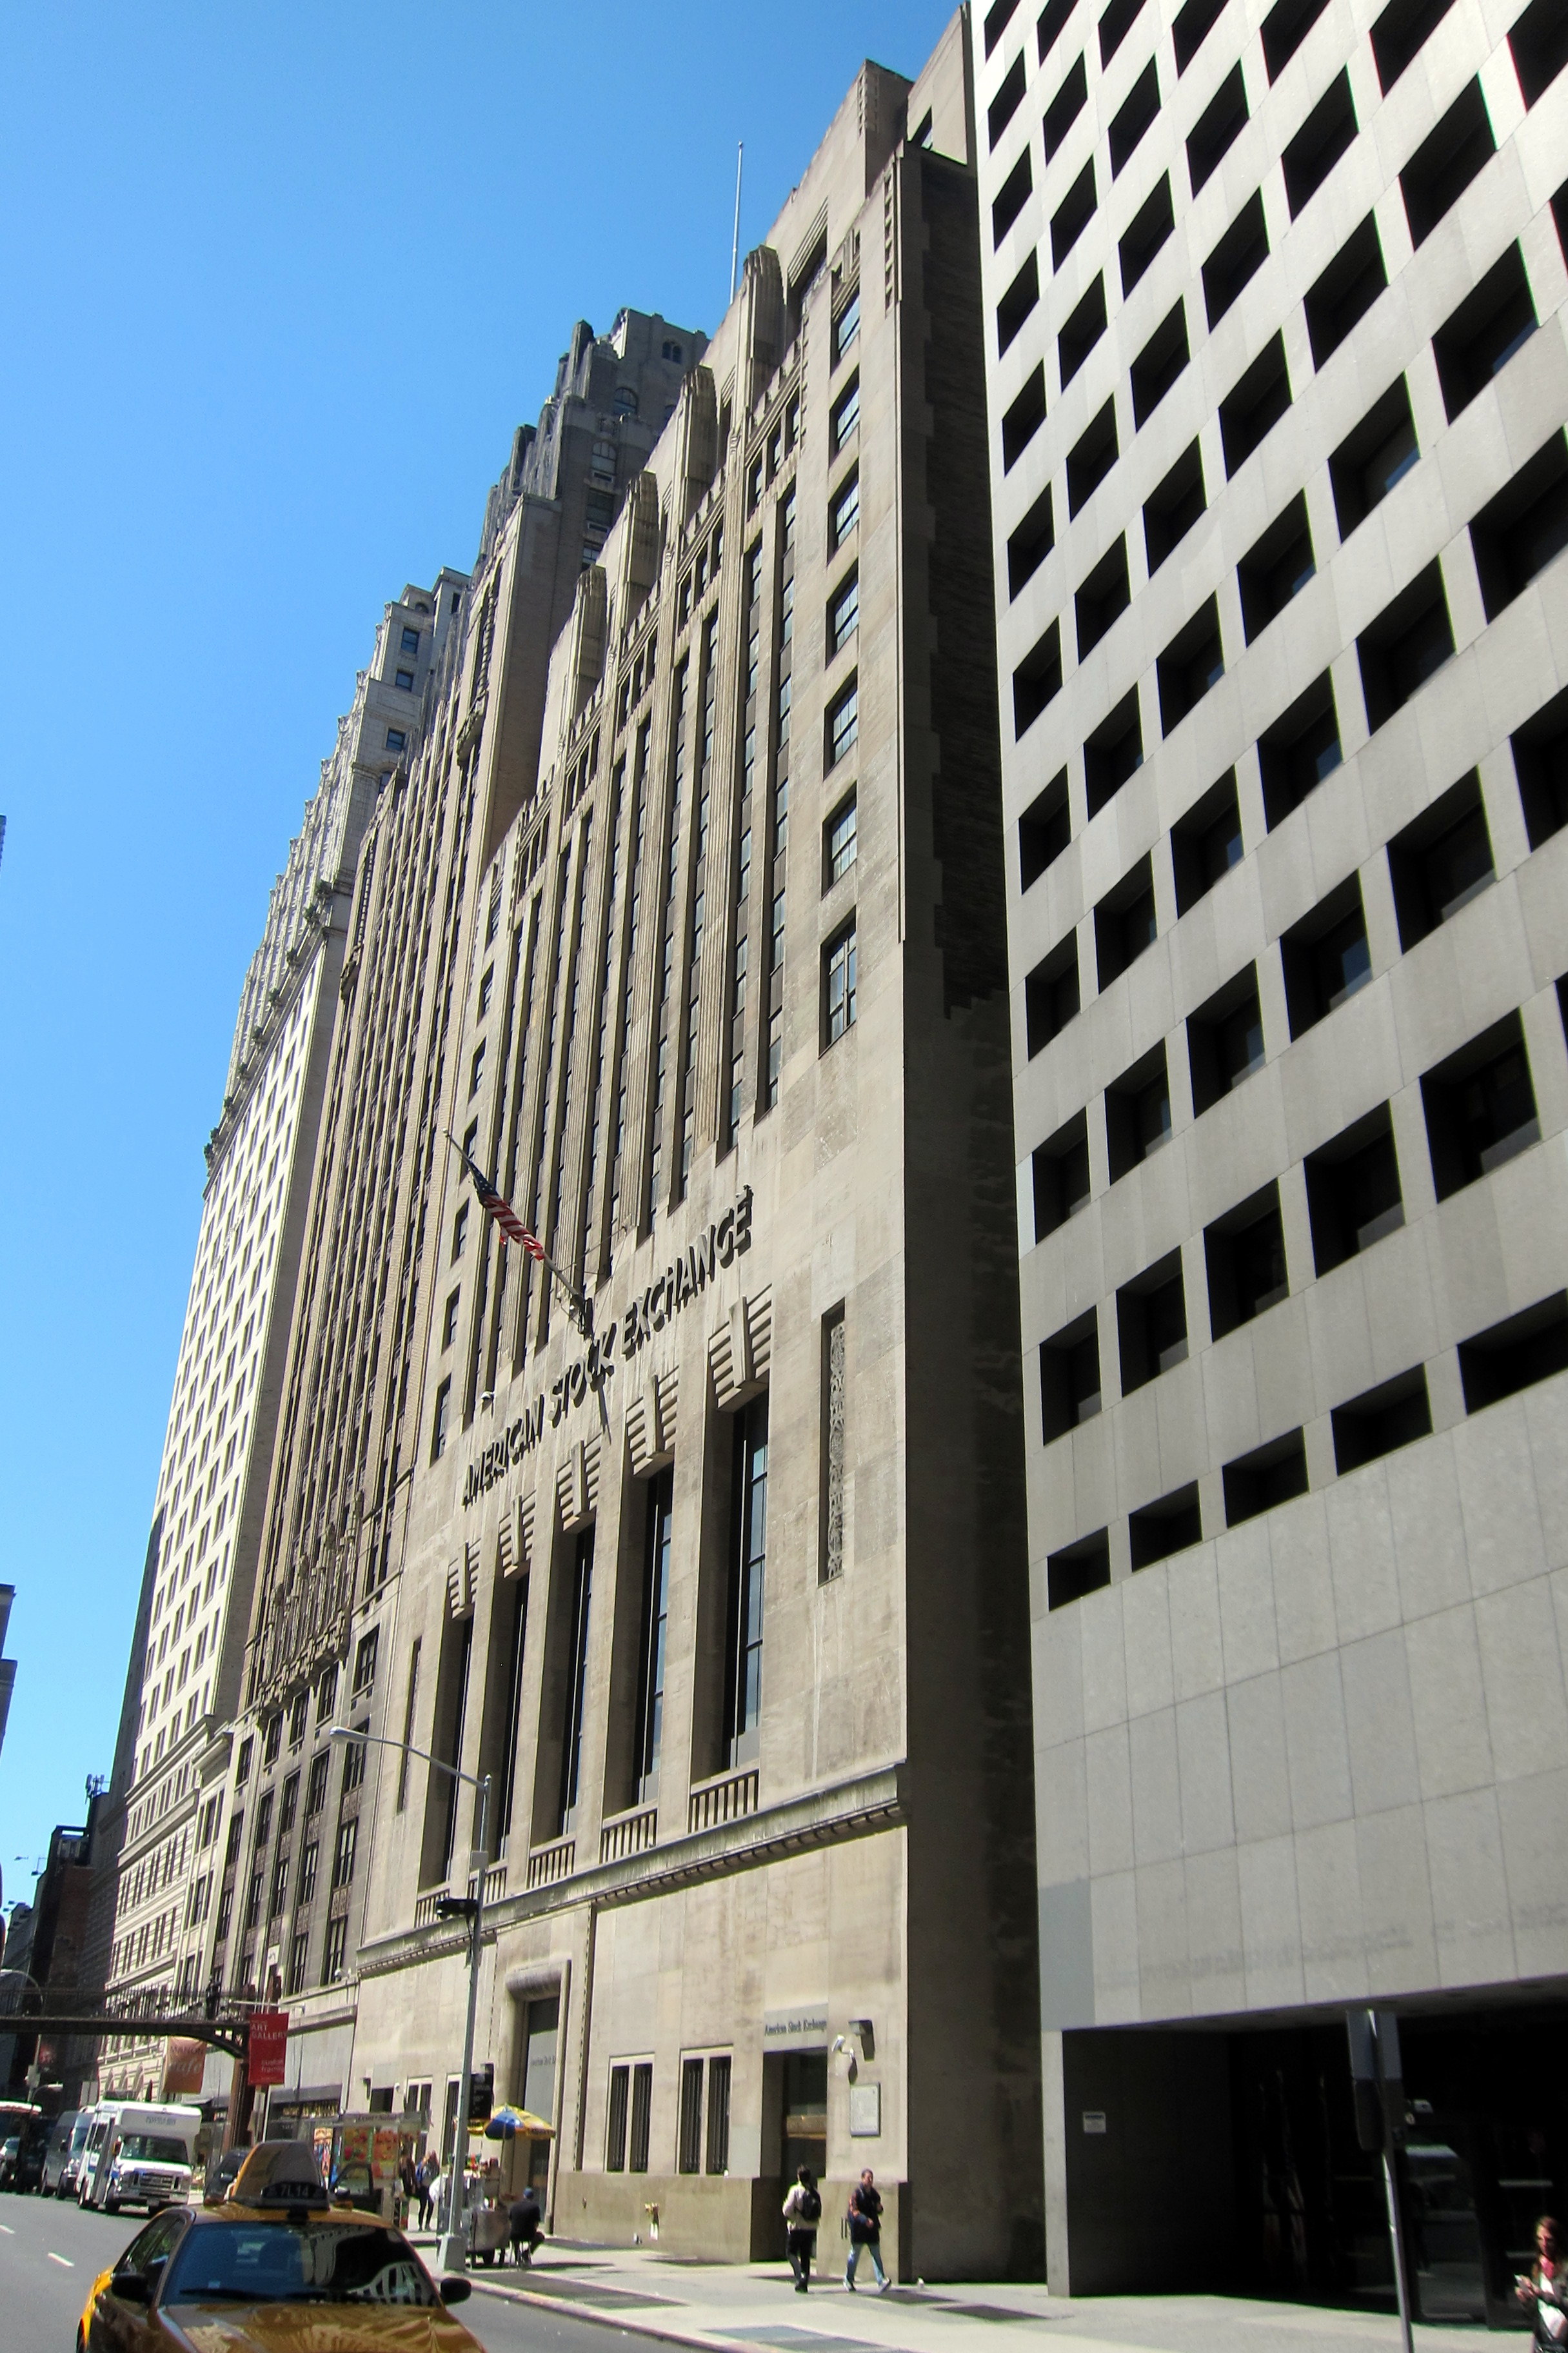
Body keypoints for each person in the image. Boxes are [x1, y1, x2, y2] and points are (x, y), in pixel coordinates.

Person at [1518, 2216, 1568, 2344]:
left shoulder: (1565, 2269)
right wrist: (1527, 2299)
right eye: (1540, 2239)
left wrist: (1542, 2294)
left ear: (1558, 2241)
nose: (1544, 2245)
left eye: (1549, 2240)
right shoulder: (1538, 2268)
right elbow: (1535, 2312)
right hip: (1543, 2341)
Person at [844, 2168, 889, 2293]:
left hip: (872, 2229)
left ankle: (881, 2280)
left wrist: (880, 2209)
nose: (870, 2180)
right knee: (854, 2255)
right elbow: (853, 2211)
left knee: (876, 2254)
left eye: (871, 2178)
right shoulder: (857, 2194)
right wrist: (865, 2220)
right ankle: (848, 2280)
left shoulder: (875, 2194)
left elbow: (878, 2209)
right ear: (862, 2179)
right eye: (868, 2178)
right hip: (859, 2229)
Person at [782, 2165, 822, 2292]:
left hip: (797, 2227)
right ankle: (804, 2284)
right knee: (806, 2255)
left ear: (799, 2176)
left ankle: (801, 2276)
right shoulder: (814, 2191)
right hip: (811, 2228)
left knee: (791, 2252)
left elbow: (787, 2210)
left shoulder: (796, 2190)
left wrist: (793, 2217)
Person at [509, 2181, 544, 2267]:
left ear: (524, 2196)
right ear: (532, 2197)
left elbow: (510, 2221)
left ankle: (517, 2256)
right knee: (541, 2237)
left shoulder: (515, 2206)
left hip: (514, 2235)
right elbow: (536, 2224)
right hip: (528, 2235)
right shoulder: (535, 2207)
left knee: (515, 2237)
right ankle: (526, 2253)